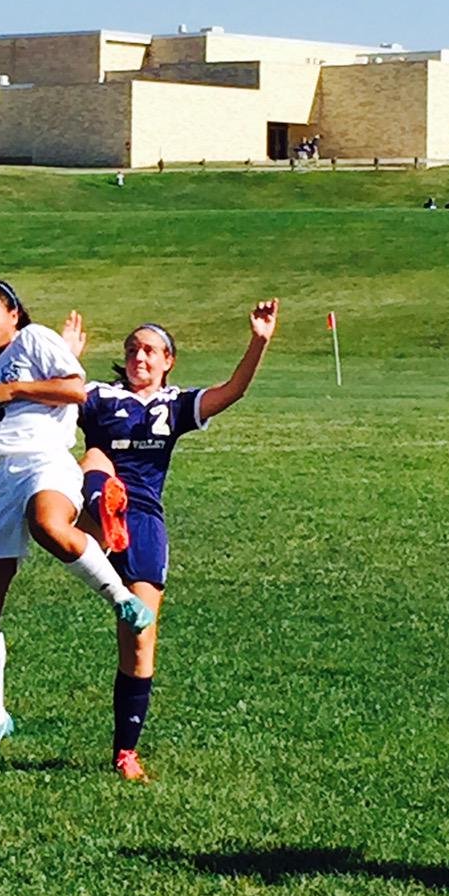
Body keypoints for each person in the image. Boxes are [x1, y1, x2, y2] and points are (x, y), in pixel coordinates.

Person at [0, 279, 155, 771]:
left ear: (14, 313)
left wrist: (16, 387)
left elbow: (75, 390)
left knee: (47, 523)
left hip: (45, 460)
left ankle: (124, 600)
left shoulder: (34, 339)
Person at [69, 300, 279, 781]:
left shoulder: (177, 404)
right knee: (95, 458)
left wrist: (259, 341)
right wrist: (67, 357)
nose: (138, 356)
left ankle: (126, 752)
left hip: (144, 523)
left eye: (149, 350)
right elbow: (57, 394)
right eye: (131, 349)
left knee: (139, 641)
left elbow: (232, 391)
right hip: (96, 498)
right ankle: (102, 512)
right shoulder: (98, 395)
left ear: (168, 362)